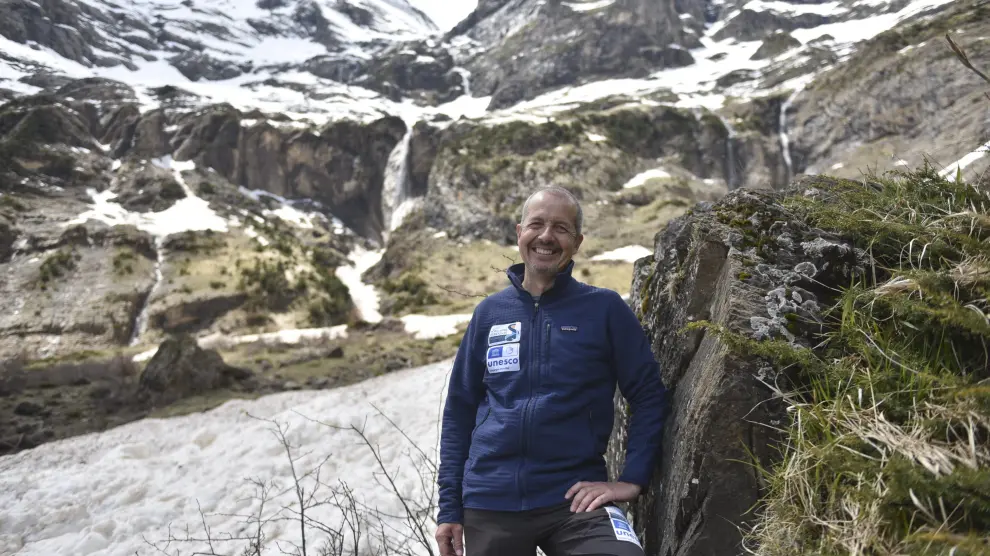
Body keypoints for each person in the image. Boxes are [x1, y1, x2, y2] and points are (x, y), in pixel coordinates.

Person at [435, 186, 669, 556]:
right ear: (519, 233)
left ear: (577, 242)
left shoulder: (604, 309)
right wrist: (449, 507)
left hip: (576, 499)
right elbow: (460, 410)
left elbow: (649, 394)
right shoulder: (489, 314)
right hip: (490, 502)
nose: (546, 236)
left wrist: (631, 480)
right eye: (537, 224)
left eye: (560, 228)